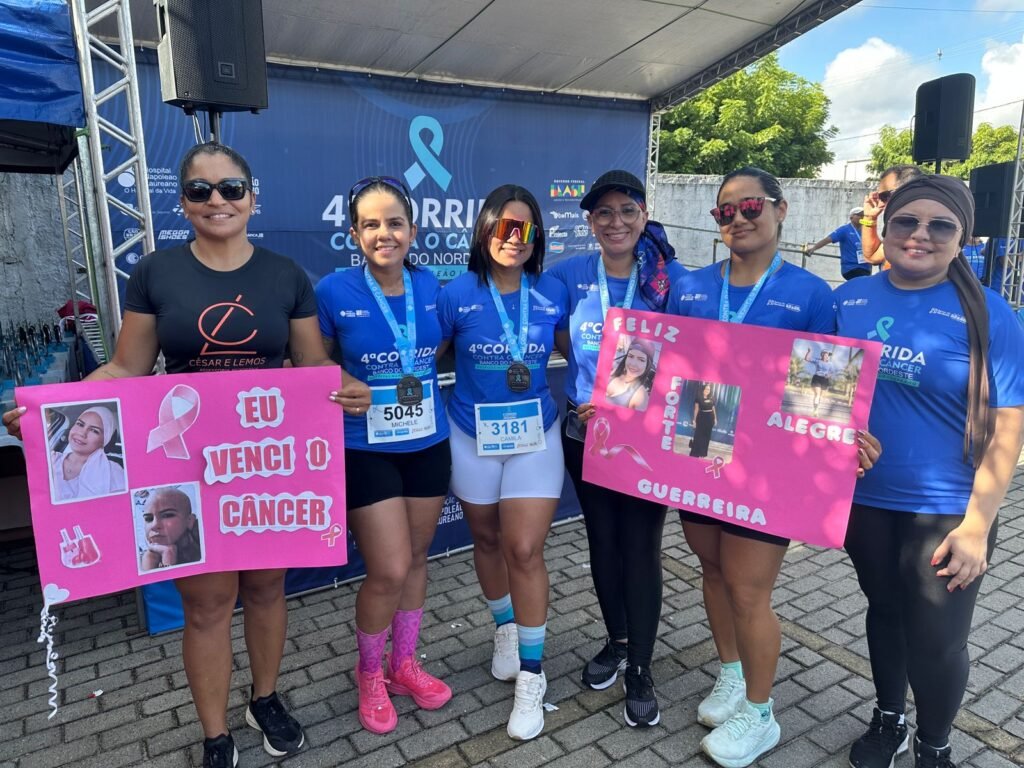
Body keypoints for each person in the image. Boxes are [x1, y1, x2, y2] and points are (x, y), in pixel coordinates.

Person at [6, 142, 340, 767]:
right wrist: (52, 409)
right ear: (183, 202)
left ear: (253, 196)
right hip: (187, 466)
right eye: (201, 190)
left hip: (264, 462)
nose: (218, 201)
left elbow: (312, 365)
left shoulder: (286, 274)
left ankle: (264, 699)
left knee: (268, 590)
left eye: (231, 188)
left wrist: (340, 387)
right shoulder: (156, 273)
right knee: (208, 604)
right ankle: (216, 735)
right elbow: (126, 368)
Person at [666, 166, 870, 768]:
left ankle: (761, 712)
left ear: (780, 210)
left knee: (750, 589)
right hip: (701, 431)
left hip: (769, 458)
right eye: (724, 211)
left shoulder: (811, 294)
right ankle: (731, 675)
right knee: (711, 568)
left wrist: (840, 444)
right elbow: (666, 371)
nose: (738, 219)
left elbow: (823, 396)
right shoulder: (692, 287)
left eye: (749, 206)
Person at [836, 175, 1024, 768]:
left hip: (947, 509)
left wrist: (976, 525)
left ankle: (934, 744)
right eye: (905, 222)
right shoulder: (849, 300)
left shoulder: (992, 313)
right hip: (865, 501)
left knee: (938, 640)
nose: (919, 235)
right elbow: (816, 392)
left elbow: (1009, 426)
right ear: (884, 229)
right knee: (884, 610)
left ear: (962, 236)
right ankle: (889, 718)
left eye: (939, 225)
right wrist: (836, 437)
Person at [316, 176, 452, 735]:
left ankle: (404, 664)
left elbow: (438, 347)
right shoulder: (332, 291)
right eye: (371, 224)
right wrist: (341, 377)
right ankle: (369, 673)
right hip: (364, 446)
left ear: (412, 230)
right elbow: (308, 362)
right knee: (389, 567)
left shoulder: (436, 289)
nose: (384, 233)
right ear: (354, 233)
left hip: (428, 440)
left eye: (394, 222)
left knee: (417, 561)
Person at [548, 169, 684, 728]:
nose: (616, 222)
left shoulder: (671, 281)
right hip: (586, 433)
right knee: (602, 542)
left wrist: (639, 401)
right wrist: (592, 391)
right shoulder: (568, 275)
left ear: (645, 216)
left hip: (649, 441)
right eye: (603, 213)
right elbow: (556, 334)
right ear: (591, 222)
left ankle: (642, 669)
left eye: (627, 210)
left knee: (641, 546)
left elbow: (697, 356)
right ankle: (618, 640)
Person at [437, 184, 567, 740]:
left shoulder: (551, 290)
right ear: (484, 231)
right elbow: (420, 357)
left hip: (536, 436)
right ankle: (505, 630)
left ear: (536, 236)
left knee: (523, 548)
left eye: (525, 229)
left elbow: (585, 357)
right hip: (471, 436)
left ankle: (533, 678)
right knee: (487, 541)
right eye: (502, 227)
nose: (513, 239)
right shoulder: (456, 294)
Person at [49, 405, 125, 501]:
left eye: (94, 430)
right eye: (80, 424)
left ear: (104, 440)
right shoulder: (50, 459)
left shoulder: (114, 473)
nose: (82, 433)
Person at [861, 164, 926, 269]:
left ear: (907, 191)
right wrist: (869, 217)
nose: (880, 203)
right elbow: (872, 257)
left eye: (884, 196)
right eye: (879, 197)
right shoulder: (900, 226)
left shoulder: (932, 226)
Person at [139, 486, 202, 571]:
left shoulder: (205, 543)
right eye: (148, 519)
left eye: (167, 515)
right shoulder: (145, 560)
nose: (154, 525)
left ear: (190, 521)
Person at [803, 206, 871, 280]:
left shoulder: (867, 230)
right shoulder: (844, 230)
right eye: (858, 215)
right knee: (862, 285)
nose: (861, 217)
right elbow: (827, 239)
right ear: (851, 217)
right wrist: (813, 248)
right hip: (851, 268)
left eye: (863, 215)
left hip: (866, 267)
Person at [604, 337, 656, 410]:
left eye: (641, 360)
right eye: (631, 356)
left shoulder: (640, 396)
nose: (633, 364)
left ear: (647, 364)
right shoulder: (613, 372)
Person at [804, 348, 835, 416]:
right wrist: (808, 352)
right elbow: (806, 359)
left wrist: (828, 376)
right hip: (817, 378)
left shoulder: (830, 364)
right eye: (825, 355)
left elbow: (831, 372)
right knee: (817, 394)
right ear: (822, 355)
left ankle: (816, 408)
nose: (826, 356)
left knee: (820, 396)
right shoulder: (817, 360)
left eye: (828, 355)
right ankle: (815, 410)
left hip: (825, 379)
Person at [689, 383, 717, 458]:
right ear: (703, 389)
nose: (707, 390)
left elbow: (713, 408)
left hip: (709, 419)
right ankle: (695, 453)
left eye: (709, 389)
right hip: (701, 418)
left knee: (706, 437)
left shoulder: (712, 398)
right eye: (706, 389)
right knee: (698, 436)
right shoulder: (698, 398)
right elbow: (696, 409)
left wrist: (715, 418)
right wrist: (694, 420)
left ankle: (703, 453)